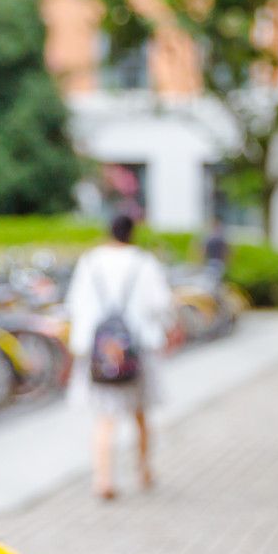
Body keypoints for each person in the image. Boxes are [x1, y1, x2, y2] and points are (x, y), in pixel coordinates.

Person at [67, 213, 175, 500]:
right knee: (140, 415)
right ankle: (143, 470)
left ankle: (103, 479)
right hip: (138, 351)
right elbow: (161, 303)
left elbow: (76, 305)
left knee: (105, 418)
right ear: (132, 233)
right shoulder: (144, 262)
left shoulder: (90, 262)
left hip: (99, 352)